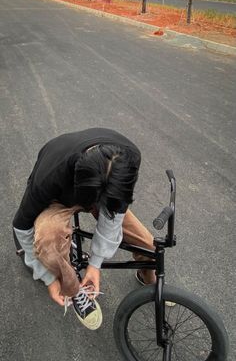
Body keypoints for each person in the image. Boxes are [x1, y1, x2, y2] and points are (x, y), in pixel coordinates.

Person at [13, 128, 155, 330]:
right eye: (94, 205)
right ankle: (72, 288)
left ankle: (147, 278)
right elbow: (21, 226)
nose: (94, 209)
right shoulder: (50, 176)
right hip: (61, 195)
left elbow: (115, 216)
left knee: (149, 245)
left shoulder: (129, 158)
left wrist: (95, 264)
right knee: (48, 239)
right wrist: (48, 278)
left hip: (100, 190)